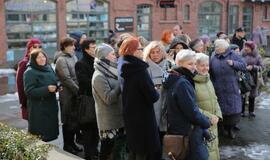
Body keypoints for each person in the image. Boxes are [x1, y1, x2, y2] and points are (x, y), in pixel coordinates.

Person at [163, 49, 212, 160]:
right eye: (190, 64)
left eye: (195, 63)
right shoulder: (182, 82)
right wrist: (206, 122)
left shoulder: (174, 78)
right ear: (179, 63)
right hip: (188, 132)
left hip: (179, 130)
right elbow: (192, 112)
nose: (194, 67)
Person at [119, 37, 161, 160]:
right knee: (147, 150)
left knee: (135, 148)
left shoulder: (122, 64)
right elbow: (152, 96)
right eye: (140, 49)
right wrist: (156, 91)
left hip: (130, 113)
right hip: (143, 116)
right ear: (133, 51)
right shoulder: (139, 70)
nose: (142, 51)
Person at [92, 43, 125, 160]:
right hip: (109, 123)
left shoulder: (112, 70)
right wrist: (121, 85)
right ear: (104, 56)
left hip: (118, 119)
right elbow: (108, 99)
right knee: (107, 152)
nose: (115, 56)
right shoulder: (99, 76)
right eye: (112, 54)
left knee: (116, 152)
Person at [210, 39, 246, 139]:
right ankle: (223, 128)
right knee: (221, 109)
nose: (216, 49)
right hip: (219, 88)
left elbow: (244, 66)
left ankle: (231, 128)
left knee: (233, 109)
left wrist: (233, 63)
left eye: (218, 47)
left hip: (232, 86)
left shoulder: (232, 54)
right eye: (215, 47)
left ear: (224, 48)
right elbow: (211, 72)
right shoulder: (213, 57)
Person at [23, 49, 59, 142]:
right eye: (38, 57)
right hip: (38, 108)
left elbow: (55, 80)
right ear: (33, 60)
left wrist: (58, 86)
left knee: (50, 135)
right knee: (40, 137)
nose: (42, 59)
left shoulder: (49, 67)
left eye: (43, 57)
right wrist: (47, 89)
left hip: (50, 105)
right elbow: (29, 92)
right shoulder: (30, 72)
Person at [55, 37, 82, 154]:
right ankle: (67, 145)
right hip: (67, 95)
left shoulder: (73, 56)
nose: (74, 47)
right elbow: (66, 79)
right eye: (72, 45)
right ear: (65, 46)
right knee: (68, 121)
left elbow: (77, 74)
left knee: (75, 121)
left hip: (76, 94)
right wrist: (78, 91)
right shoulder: (61, 60)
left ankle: (72, 143)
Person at [194, 53, 223, 160]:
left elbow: (215, 99)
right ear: (195, 66)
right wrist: (209, 117)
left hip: (214, 123)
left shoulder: (207, 78)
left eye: (207, 65)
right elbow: (192, 106)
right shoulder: (191, 82)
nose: (205, 68)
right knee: (206, 153)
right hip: (203, 123)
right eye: (202, 65)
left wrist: (218, 115)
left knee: (214, 149)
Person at [143, 41, 172, 144]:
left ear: (162, 53)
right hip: (153, 105)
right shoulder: (145, 67)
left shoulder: (169, 65)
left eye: (158, 52)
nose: (155, 55)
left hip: (167, 103)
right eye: (152, 52)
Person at [75, 38, 99, 160]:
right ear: (86, 49)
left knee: (96, 129)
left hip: (97, 99)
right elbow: (84, 82)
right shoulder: (81, 63)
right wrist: (99, 84)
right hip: (87, 100)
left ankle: (94, 151)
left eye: (96, 46)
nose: (95, 49)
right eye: (93, 47)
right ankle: (89, 154)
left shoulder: (97, 61)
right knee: (88, 129)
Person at [16, 38, 42, 120]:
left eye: (39, 46)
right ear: (29, 49)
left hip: (42, 101)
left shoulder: (42, 61)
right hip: (30, 102)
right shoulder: (24, 63)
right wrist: (24, 104)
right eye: (34, 47)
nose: (37, 49)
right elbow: (20, 84)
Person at [241, 41, 264, 117]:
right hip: (244, 75)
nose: (246, 48)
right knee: (243, 93)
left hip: (254, 76)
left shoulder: (257, 56)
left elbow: (262, 67)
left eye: (248, 47)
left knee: (252, 94)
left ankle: (251, 111)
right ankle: (242, 111)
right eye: (245, 46)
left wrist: (253, 67)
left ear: (252, 48)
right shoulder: (242, 54)